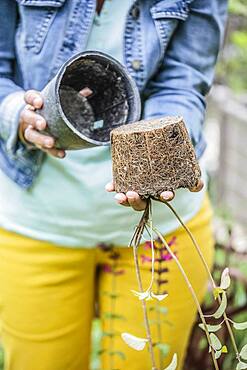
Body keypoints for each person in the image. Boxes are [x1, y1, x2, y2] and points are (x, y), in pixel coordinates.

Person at [0, 1, 227, 369]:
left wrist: (159, 159)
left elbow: (184, 78)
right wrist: (16, 115)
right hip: (36, 223)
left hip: (164, 233)